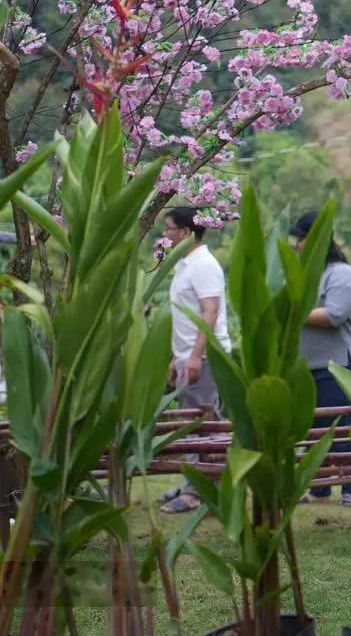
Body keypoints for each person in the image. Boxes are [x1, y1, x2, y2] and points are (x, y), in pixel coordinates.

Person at [159, 207, 231, 514]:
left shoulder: (203, 265)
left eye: (170, 229)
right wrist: (177, 358)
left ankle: (196, 492)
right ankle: (195, 482)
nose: (165, 235)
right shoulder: (185, 264)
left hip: (205, 356)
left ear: (187, 232)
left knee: (203, 422)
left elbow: (210, 312)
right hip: (188, 355)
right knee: (193, 421)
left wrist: (196, 356)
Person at [290, 211, 351, 507]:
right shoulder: (302, 272)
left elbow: (334, 315)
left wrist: (291, 314)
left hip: (337, 365)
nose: (297, 245)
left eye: (302, 239)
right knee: (312, 429)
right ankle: (319, 488)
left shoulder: (340, 274)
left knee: (340, 426)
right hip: (305, 365)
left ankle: (349, 488)